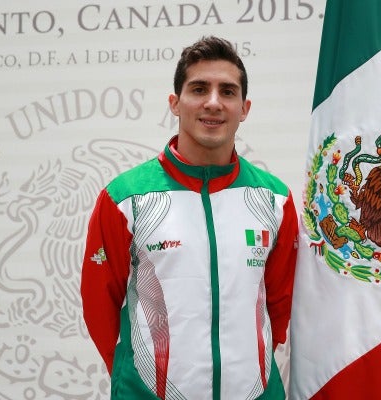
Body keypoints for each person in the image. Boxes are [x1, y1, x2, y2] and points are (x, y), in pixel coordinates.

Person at [80, 36, 298, 400]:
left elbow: (281, 305)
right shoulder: (125, 198)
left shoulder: (275, 200)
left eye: (227, 92)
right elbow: (99, 305)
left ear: (244, 108)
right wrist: (137, 380)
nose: (213, 102)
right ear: (175, 103)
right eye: (199, 89)